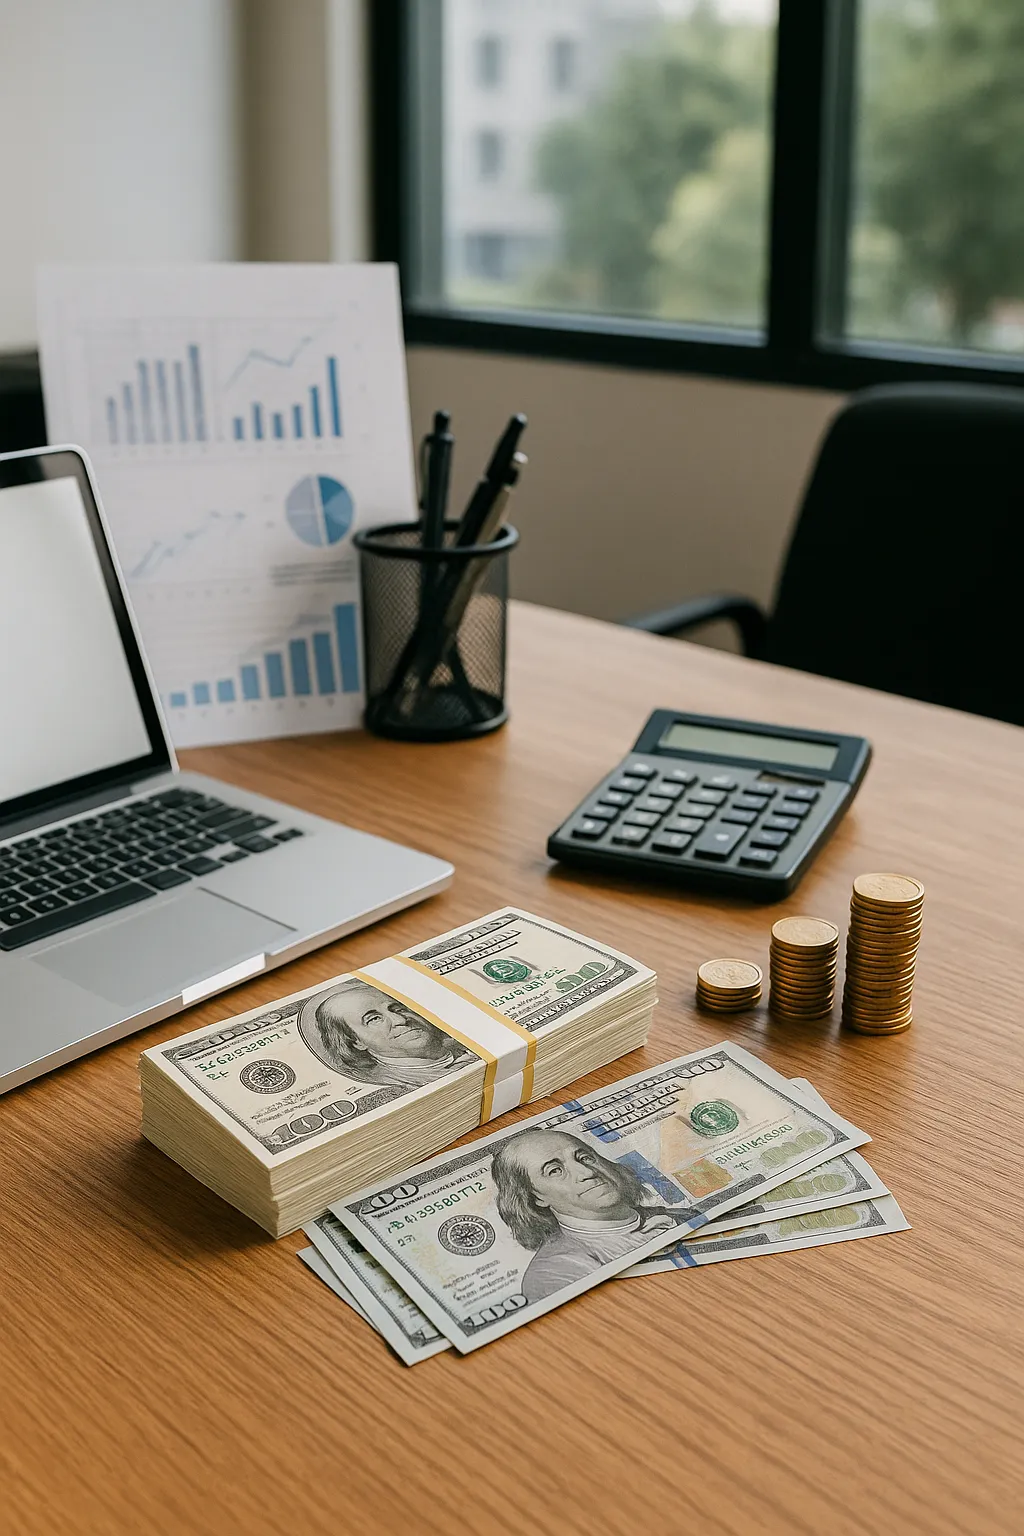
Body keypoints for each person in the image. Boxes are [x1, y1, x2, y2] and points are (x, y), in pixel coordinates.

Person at [491, 1127, 684, 1304]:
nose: (587, 1172)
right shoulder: (553, 1271)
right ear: (536, 1198)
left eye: (584, 1158)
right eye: (555, 1171)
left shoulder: (678, 1217)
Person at [298, 979, 475, 1090]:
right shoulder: (393, 1083)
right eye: (374, 1019)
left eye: (397, 1008)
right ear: (355, 1041)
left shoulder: (466, 1044)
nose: (399, 1020)